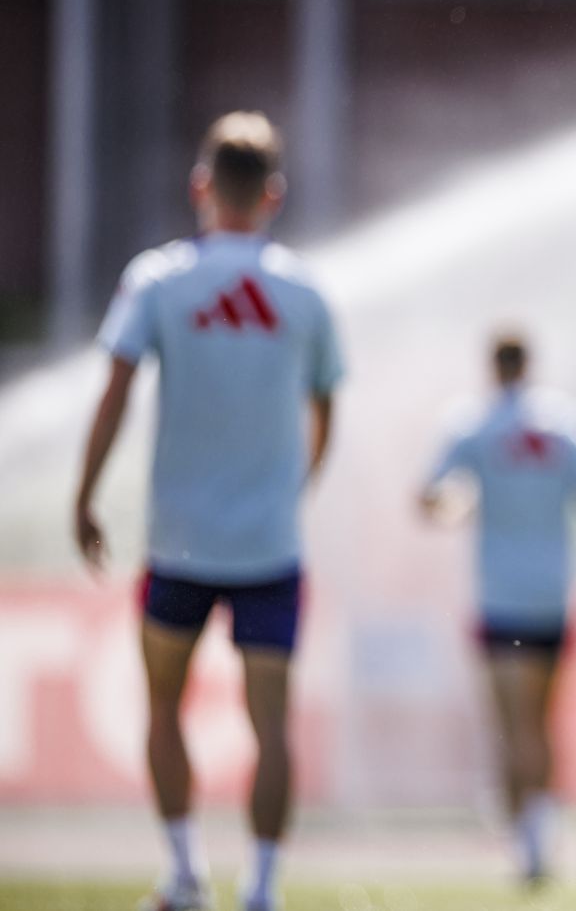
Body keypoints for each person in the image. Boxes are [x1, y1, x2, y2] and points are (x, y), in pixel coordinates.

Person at [73, 112, 342, 911]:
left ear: (200, 187)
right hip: (269, 547)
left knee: (163, 706)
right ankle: (262, 886)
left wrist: (84, 495)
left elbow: (115, 392)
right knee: (271, 725)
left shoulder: (158, 279)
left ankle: (186, 873)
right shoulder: (304, 290)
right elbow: (325, 410)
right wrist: (297, 488)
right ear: (274, 194)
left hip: (180, 542)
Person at [419, 331, 576, 882]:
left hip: (500, 597)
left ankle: (526, 841)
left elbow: (430, 498)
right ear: (529, 365)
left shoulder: (473, 425)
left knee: (510, 723)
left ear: (493, 367)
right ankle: (538, 831)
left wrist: (465, 506)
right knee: (540, 721)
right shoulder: (571, 425)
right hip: (553, 595)